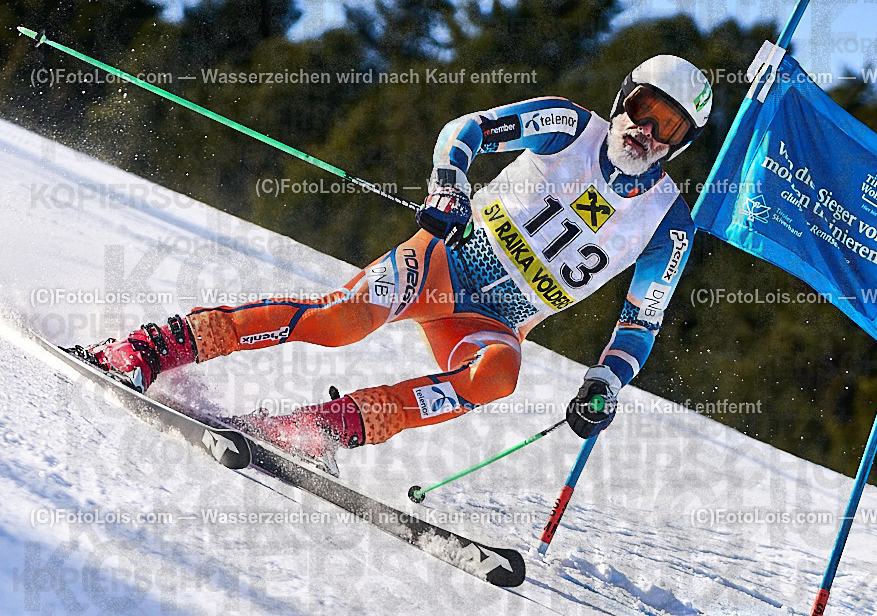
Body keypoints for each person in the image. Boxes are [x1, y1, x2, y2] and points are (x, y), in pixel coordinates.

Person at [71, 55, 712, 468]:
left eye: (669, 128)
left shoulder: (668, 224)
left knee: (497, 375)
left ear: (681, 145)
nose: (647, 132)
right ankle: (149, 348)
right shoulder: (571, 126)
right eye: (643, 110)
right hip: (446, 262)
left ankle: (319, 429)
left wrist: (605, 383)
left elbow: (640, 324)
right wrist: (449, 185)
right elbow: (465, 130)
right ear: (623, 100)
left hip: (495, 321)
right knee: (340, 322)